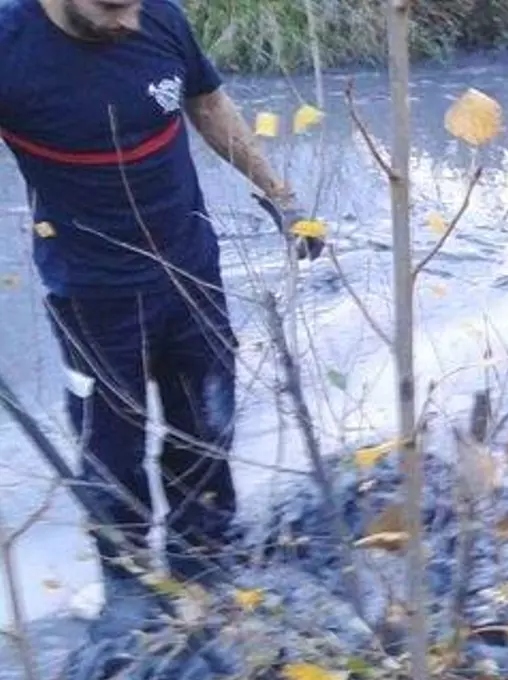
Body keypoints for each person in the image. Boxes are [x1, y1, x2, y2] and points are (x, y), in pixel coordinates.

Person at [0, 0, 316, 628]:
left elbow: (208, 104)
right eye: (111, 8)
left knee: (208, 427)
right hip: (92, 295)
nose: (131, 22)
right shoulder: (9, 46)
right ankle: (131, 588)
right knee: (111, 456)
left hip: (191, 270)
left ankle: (206, 568)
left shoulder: (161, 18)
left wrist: (280, 195)